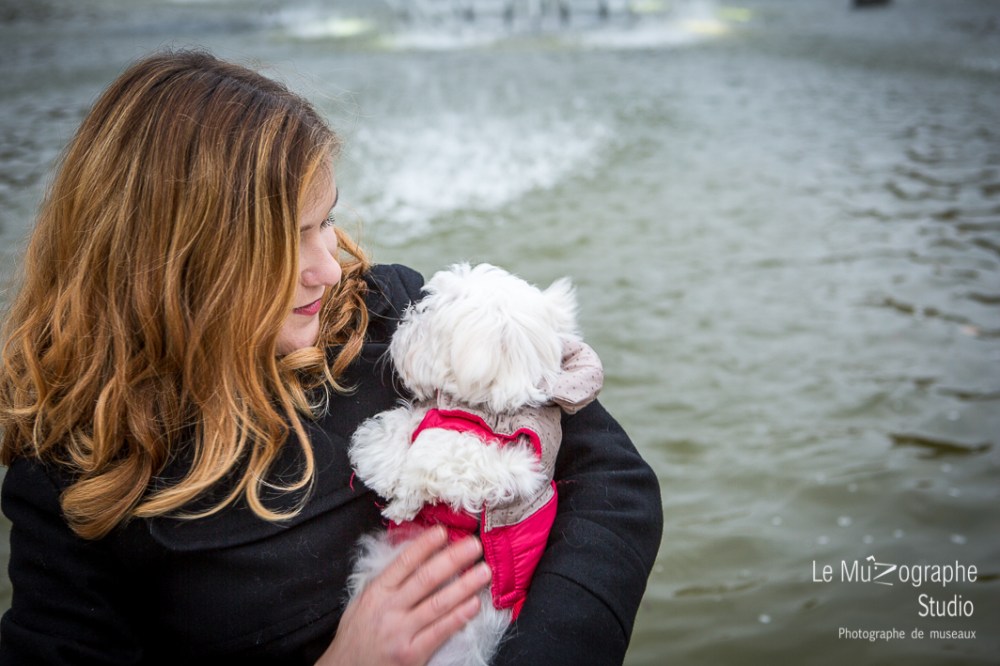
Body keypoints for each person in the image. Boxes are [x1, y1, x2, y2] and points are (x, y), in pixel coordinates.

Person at [0, 50, 662, 665]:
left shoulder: (388, 312)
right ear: (178, 258)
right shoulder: (71, 469)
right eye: (289, 238)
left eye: (325, 222)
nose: (328, 268)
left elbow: (612, 484)